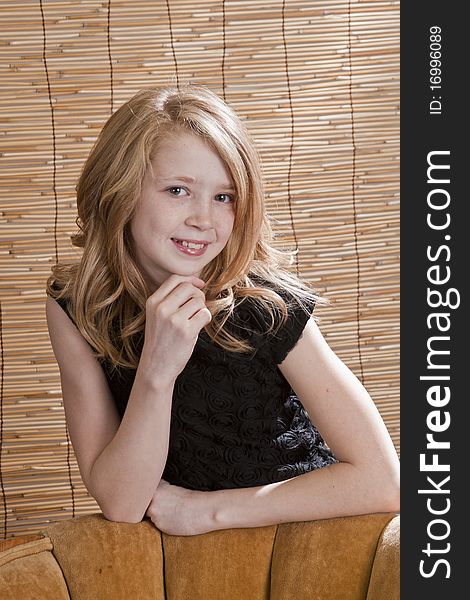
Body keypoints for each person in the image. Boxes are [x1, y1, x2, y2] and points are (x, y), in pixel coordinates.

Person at [46, 83, 399, 536]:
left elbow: (383, 481)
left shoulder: (266, 303)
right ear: (120, 192)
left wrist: (207, 511)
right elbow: (122, 501)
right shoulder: (77, 306)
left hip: (307, 544)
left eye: (224, 197)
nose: (204, 219)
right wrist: (158, 368)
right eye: (177, 190)